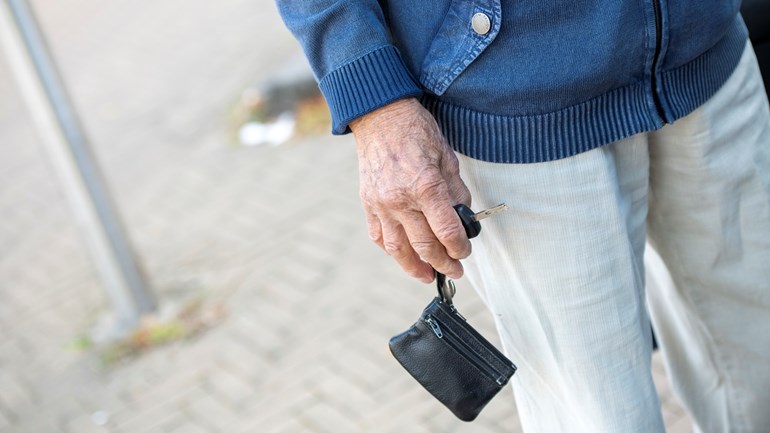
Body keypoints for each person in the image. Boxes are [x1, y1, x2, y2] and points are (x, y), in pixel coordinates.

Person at [275, 1, 770, 432]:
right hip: (514, 102)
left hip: (707, 50)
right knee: (599, 414)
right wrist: (375, 106)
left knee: (758, 361)